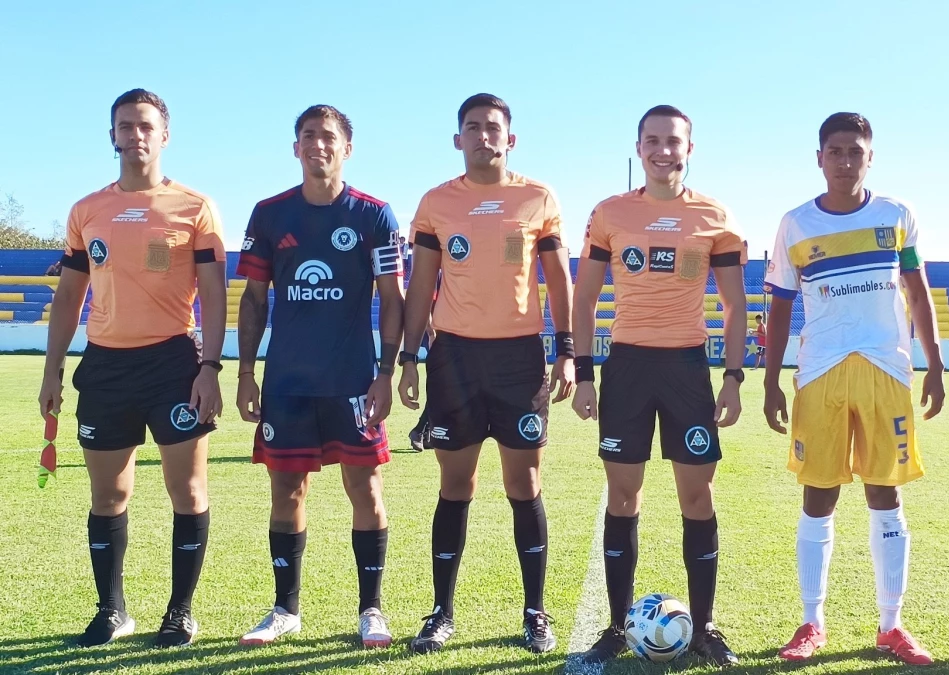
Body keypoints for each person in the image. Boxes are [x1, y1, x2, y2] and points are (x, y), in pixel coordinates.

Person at [37, 88, 226, 648]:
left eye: (145, 125)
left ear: (163, 135)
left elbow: (213, 296)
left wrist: (210, 366)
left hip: (173, 363)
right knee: (108, 497)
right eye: (125, 125)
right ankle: (112, 610)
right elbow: (69, 297)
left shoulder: (195, 207)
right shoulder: (86, 211)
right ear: (112, 134)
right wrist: (52, 371)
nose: (135, 135)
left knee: (186, 492)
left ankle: (180, 612)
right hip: (105, 368)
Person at [763, 112, 944, 666]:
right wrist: (769, 380)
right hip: (819, 372)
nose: (845, 160)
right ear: (819, 158)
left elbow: (917, 290)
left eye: (855, 151)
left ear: (871, 157)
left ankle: (891, 626)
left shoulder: (897, 216)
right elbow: (779, 305)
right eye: (835, 151)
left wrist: (935, 363)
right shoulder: (795, 225)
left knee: (885, 494)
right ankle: (811, 621)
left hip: (886, 369)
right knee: (818, 494)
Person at [398, 93, 574, 654]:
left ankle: (535, 614)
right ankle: (441, 612)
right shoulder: (435, 203)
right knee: (456, 485)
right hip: (454, 358)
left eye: (492, 128)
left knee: (524, 484)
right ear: (457, 140)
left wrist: (567, 350)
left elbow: (557, 279)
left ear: (510, 138)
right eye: (471, 128)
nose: (482, 136)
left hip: (519, 360)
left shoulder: (537, 197)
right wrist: (409, 358)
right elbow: (421, 286)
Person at [572, 104, 747, 667]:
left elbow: (736, 303)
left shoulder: (714, 215)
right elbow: (584, 296)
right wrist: (583, 372)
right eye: (653, 140)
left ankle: (705, 627)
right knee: (624, 495)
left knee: (697, 496)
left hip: (688, 370)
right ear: (638, 147)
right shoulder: (609, 213)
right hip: (626, 367)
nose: (663, 150)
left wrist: (734, 377)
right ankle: (618, 627)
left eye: (673, 141)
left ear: (689, 149)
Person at [235, 104, 405, 649]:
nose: (318, 145)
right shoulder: (269, 214)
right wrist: (244, 372)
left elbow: (392, 298)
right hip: (286, 383)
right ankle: (285, 609)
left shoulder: (374, 215)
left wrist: (386, 370)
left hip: (354, 381)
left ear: (346, 149)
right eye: (308, 136)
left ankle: (371, 610)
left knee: (366, 489)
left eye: (328, 137)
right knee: (286, 491)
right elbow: (254, 300)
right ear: (295, 148)